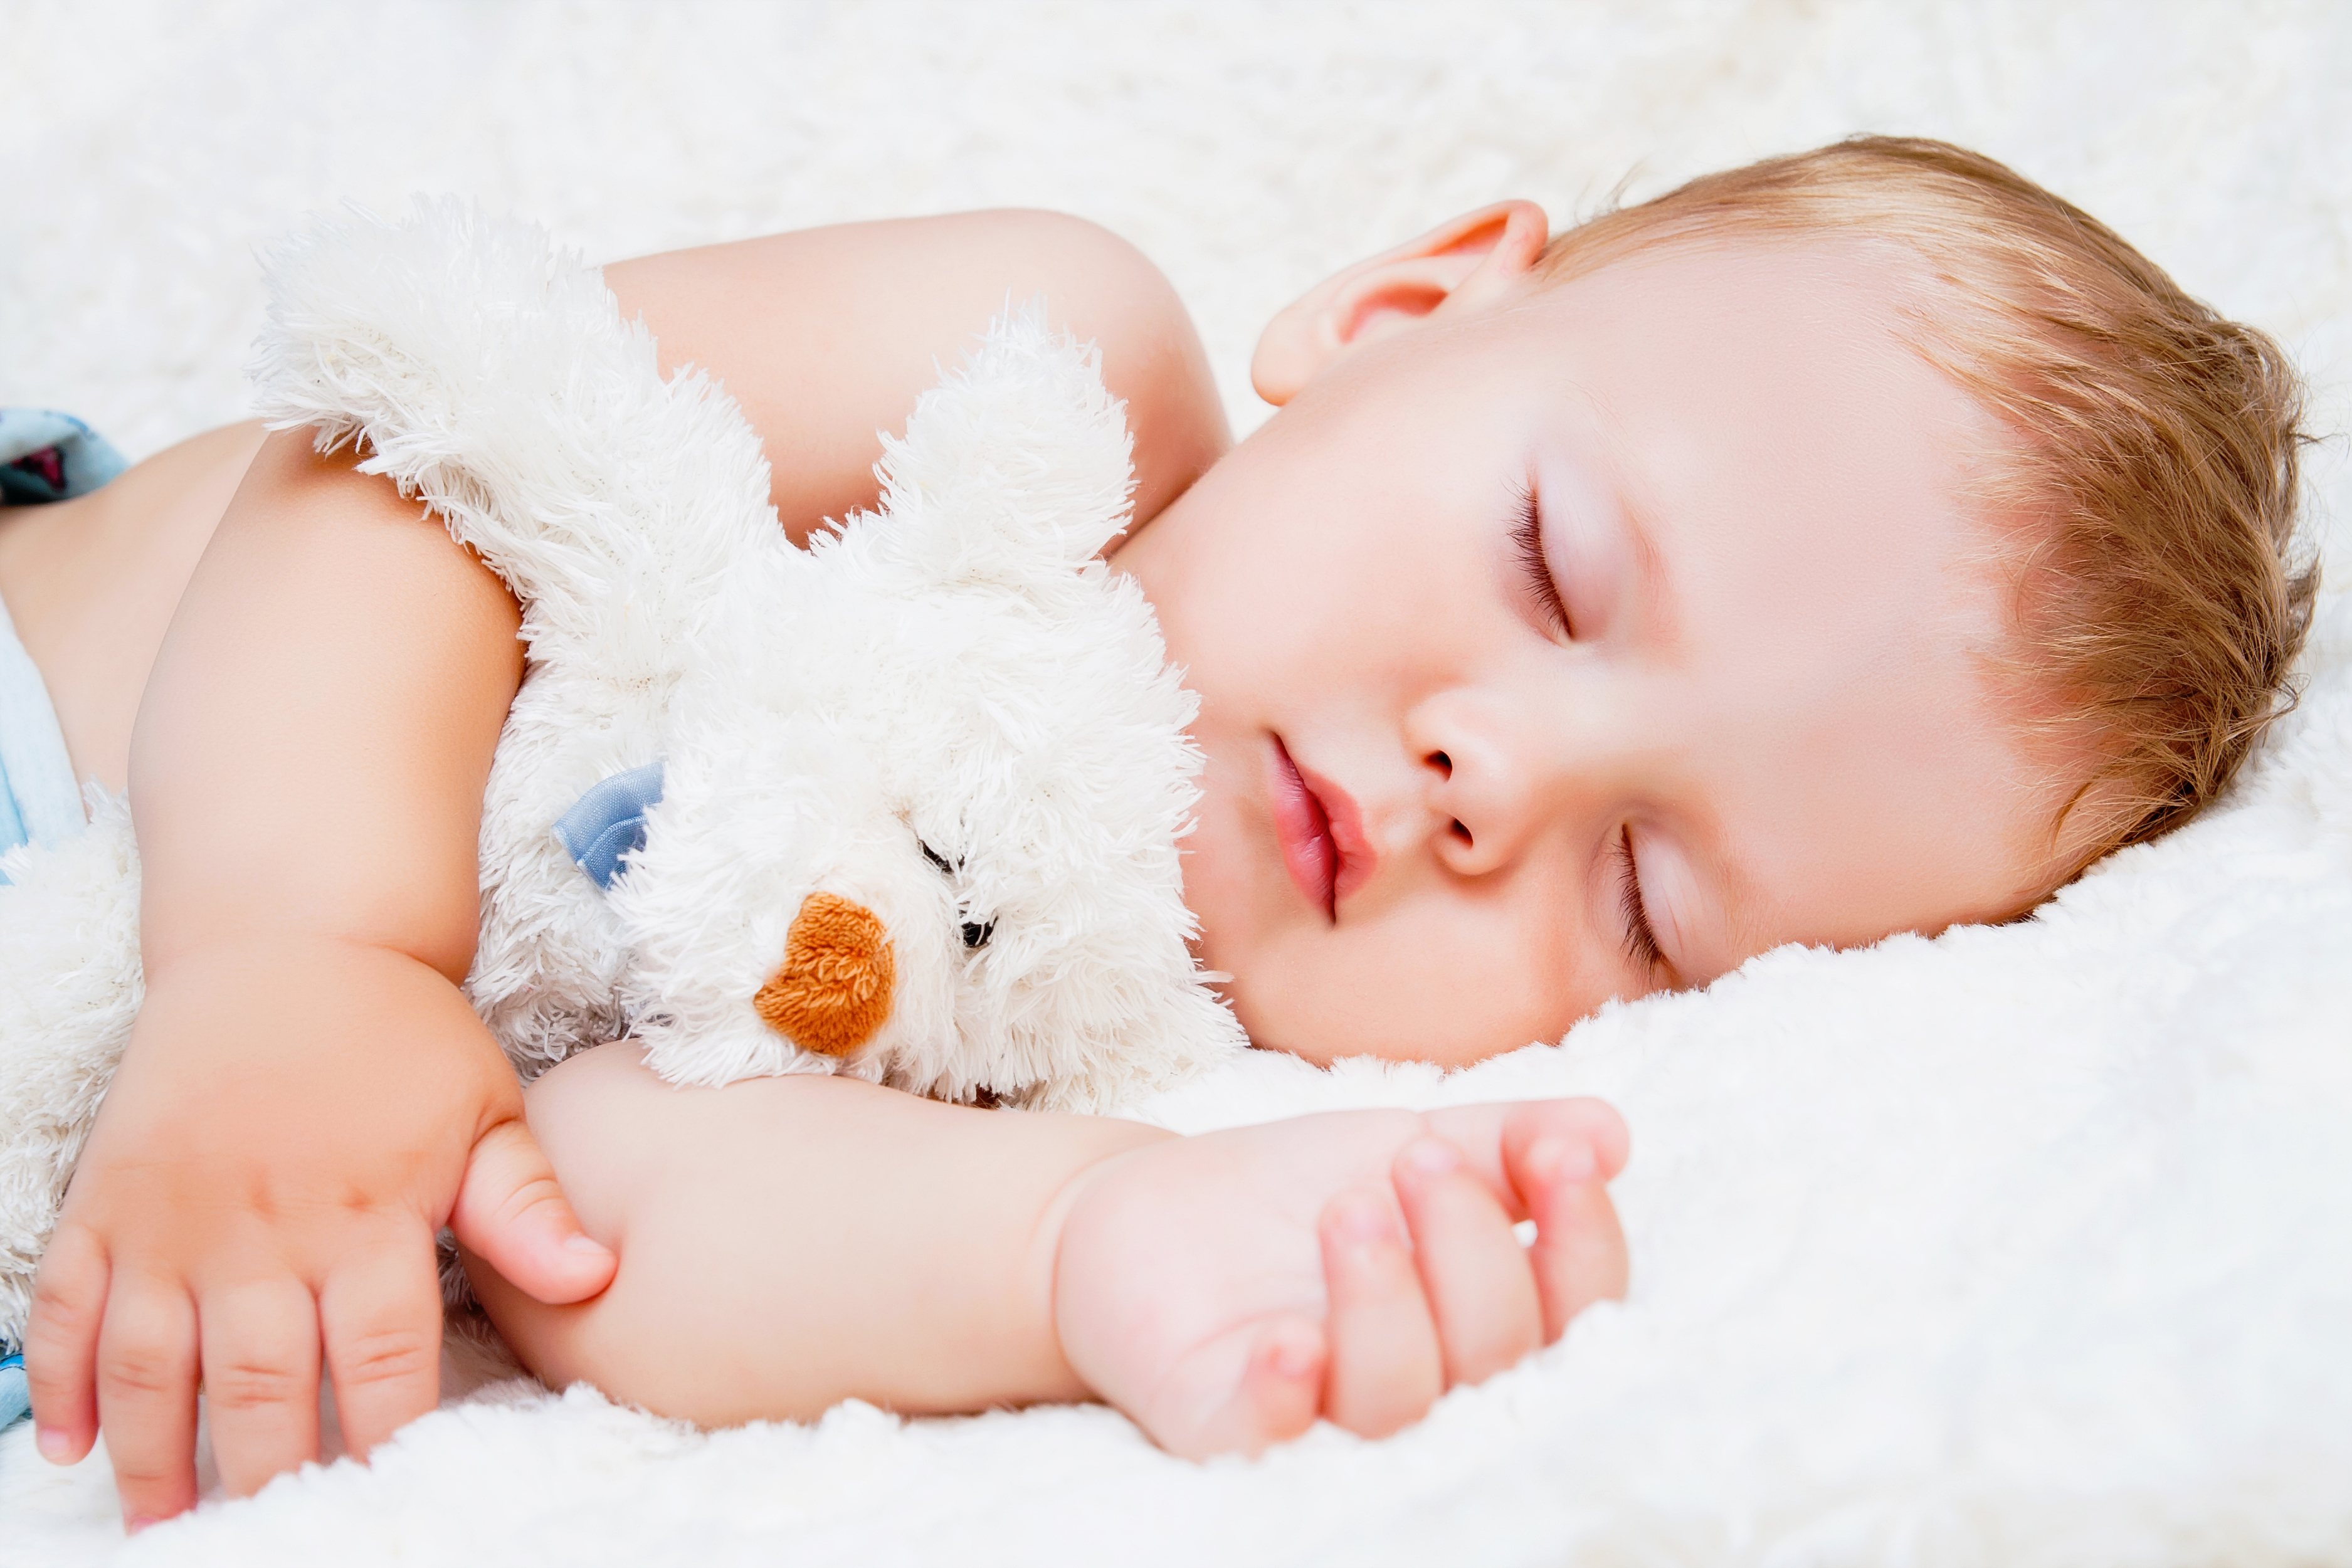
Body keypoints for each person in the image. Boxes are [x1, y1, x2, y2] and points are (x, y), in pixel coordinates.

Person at [0, 137, 2311, 1530]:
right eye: (1552, 566)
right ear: (1402, 309)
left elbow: (590, 1212)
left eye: (1647, 895)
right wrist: (303, 958)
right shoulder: (1043, 366)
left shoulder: (1130, 1033)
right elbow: (423, 458)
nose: (1491, 776)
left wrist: (1086, 1239)